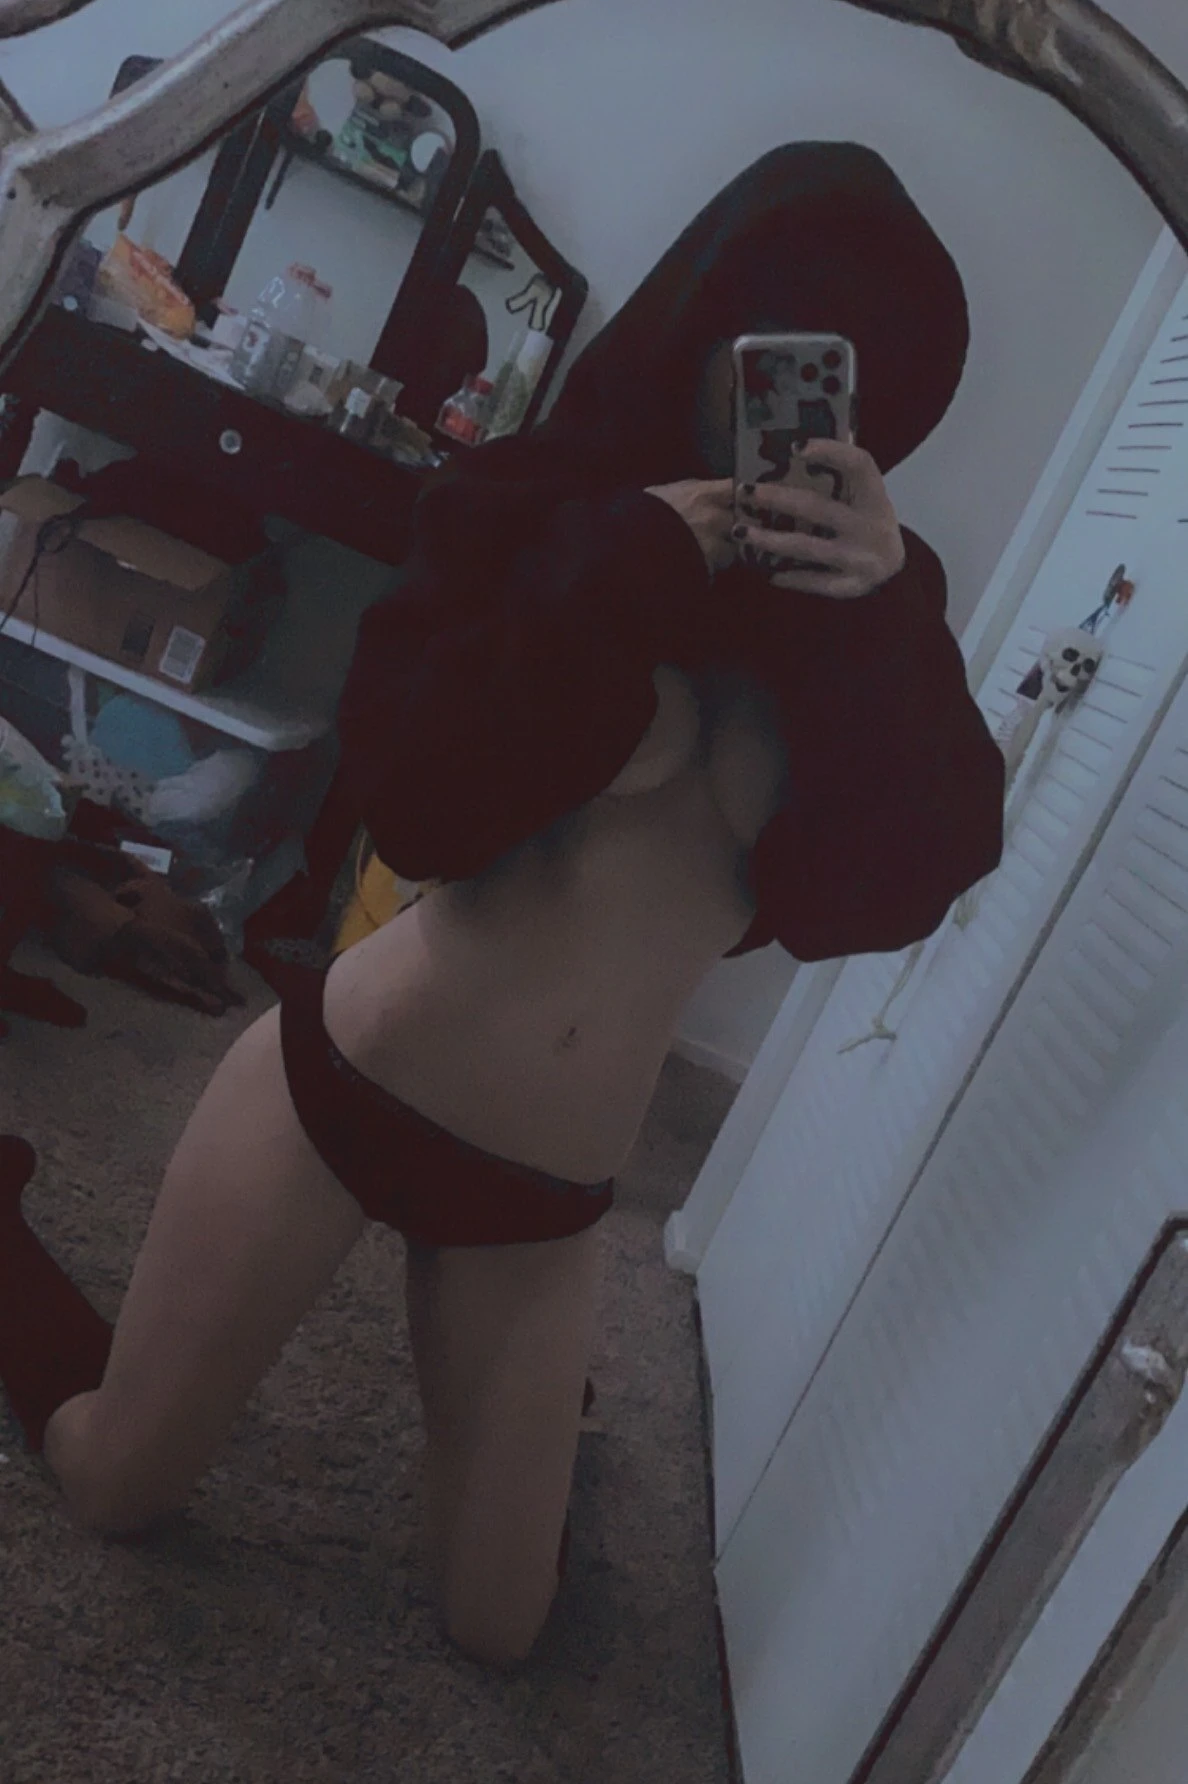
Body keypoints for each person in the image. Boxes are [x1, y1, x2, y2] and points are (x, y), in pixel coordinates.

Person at [0, 144, 1005, 1669]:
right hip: (343, 1083)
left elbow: (894, 891)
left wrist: (884, 630)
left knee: (497, 1633)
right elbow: (421, 807)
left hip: (543, 1202)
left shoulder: (875, 606)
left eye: (845, 378)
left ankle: (543, 1428)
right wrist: (622, 566)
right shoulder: (551, 505)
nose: (793, 411)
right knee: (111, 1483)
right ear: (703, 327)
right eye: (769, 349)